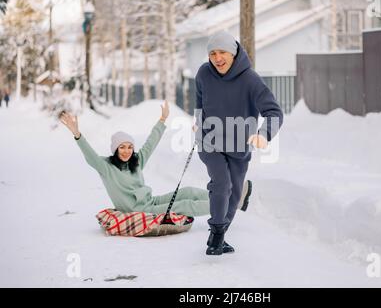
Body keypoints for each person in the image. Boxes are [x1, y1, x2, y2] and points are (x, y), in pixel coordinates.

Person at [194, 30, 284, 255]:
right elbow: (199, 104)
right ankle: (215, 237)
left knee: (234, 195)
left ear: (233, 53)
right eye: (212, 53)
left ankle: (221, 234)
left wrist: (264, 134)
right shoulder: (204, 73)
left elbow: (274, 111)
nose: (217, 58)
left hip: (238, 145)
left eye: (222, 52)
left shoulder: (250, 79)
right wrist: (197, 127)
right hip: (210, 142)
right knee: (221, 183)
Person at [59, 101, 229, 218]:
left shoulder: (136, 161)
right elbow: (90, 155)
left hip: (150, 202)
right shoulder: (107, 167)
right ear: (115, 149)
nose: (126, 151)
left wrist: (162, 120)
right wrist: (77, 134)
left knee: (188, 192)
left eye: (129, 147)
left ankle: (226, 197)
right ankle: (227, 205)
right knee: (183, 205)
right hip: (140, 211)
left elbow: (150, 143)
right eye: (122, 147)